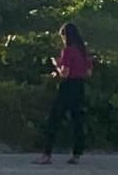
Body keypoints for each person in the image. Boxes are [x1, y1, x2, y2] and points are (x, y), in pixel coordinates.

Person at [33, 22, 94, 165]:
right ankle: (77, 154)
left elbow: (65, 73)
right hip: (80, 86)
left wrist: (56, 65)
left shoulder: (68, 51)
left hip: (68, 87)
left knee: (54, 119)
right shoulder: (84, 52)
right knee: (77, 120)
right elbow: (88, 73)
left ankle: (46, 154)